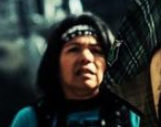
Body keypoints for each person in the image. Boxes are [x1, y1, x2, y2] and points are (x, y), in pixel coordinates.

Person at [9, 13, 142, 127]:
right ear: (55, 63)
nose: (86, 58)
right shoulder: (31, 119)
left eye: (96, 50)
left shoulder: (133, 114)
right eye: (74, 49)